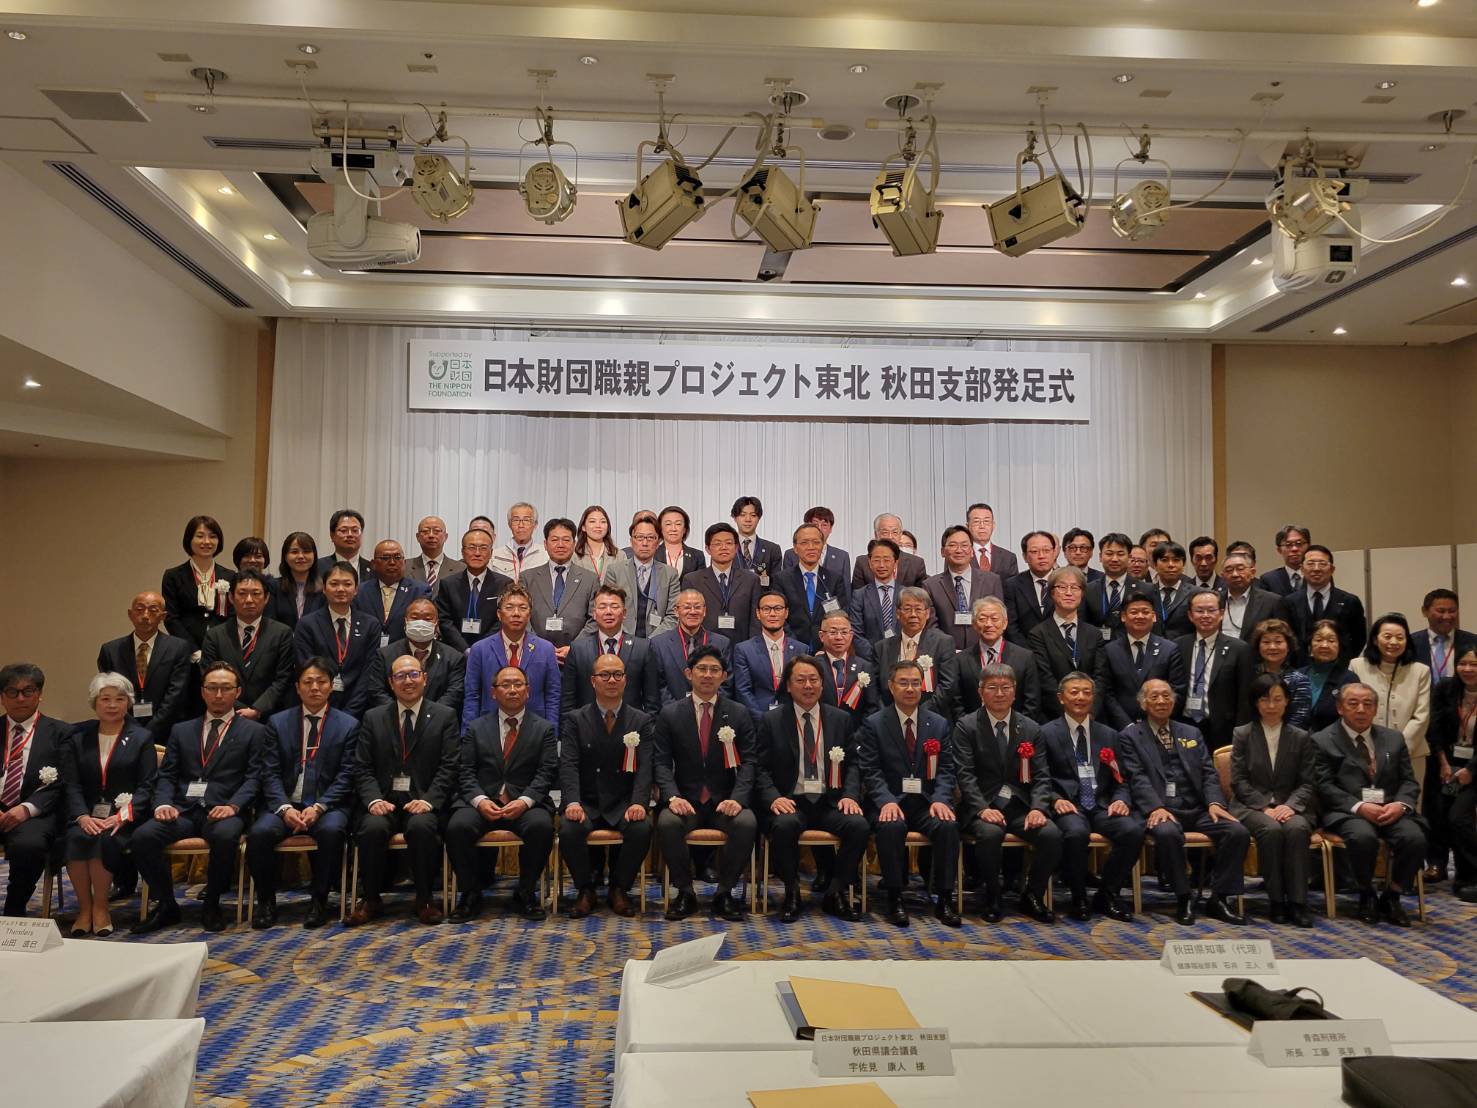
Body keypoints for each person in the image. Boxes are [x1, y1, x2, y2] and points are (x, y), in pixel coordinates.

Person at [131, 661, 267, 933]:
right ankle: (167, 905)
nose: (219, 695)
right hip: (182, 810)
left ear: (237, 692)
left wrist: (234, 806)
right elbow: (167, 775)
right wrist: (163, 803)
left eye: (226, 688)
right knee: (143, 837)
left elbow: (255, 778)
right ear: (202, 691)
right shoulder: (182, 730)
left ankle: (212, 903)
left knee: (226, 836)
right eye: (212, 688)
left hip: (224, 810)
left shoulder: (254, 732)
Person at [1119, 678, 1250, 925]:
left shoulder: (1191, 732)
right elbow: (1135, 777)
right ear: (1144, 703)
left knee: (1237, 832)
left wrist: (1215, 803)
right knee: (1167, 834)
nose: (1162, 701)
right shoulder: (1130, 736)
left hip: (1196, 807)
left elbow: (1208, 773)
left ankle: (1220, 897)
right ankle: (1183, 897)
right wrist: (1155, 807)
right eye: (1154, 697)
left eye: (1166, 696)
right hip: (1161, 809)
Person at [347, 654, 460, 926]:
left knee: (422, 827)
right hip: (384, 801)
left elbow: (450, 766)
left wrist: (429, 801)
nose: (407, 681)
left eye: (413, 674)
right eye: (400, 676)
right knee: (371, 828)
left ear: (425, 678)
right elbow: (362, 766)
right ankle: (371, 898)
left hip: (424, 802)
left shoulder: (444, 716)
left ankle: (425, 899)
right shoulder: (373, 718)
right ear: (390, 682)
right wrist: (373, 800)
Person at [755, 655, 869, 922]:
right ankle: (792, 892)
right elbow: (760, 768)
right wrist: (773, 798)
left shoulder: (840, 719)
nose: (808, 686)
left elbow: (854, 763)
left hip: (830, 801)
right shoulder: (772, 720)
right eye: (801, 680)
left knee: (859, 826)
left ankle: (836, 891)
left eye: (813, 680)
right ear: (788, 686)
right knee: (783, 826)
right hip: (791, 800)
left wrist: (850, 795)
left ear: (822, 683)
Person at [248, 658, 358, 929]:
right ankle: (266, 902)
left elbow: (346, 776)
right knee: (259, 833)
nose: (314, 688)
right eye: (308, 682)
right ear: (297, 688)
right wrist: (284, 807)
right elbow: (269, 772)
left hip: (327, 805)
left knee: (332, 832)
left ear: (331, 686)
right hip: (284, 804)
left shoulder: (348, 725)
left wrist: (320, 806)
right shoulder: (277, 723)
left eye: (321, 682)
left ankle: (319, 901)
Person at [652, 644, 759, 922]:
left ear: (724, 676)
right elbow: (661, 762)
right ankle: (685, 893)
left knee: (746, 822)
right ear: (689, 674)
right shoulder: (670, 714)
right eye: (702, 669)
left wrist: (738, 798)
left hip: (725, 800)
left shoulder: (738, 713)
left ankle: (725, 893)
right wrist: (672, 796)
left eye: (714, 670)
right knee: (667, 823)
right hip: (686, 800)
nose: (708, 675)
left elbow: (750, 761)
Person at [446, 665, 557, 922]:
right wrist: (480, 801)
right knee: (457, 826)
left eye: (518, 684)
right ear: (493, 692)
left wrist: (525, 801)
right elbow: (465, 771)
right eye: (505, 685)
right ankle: (470, 894)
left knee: (541, 826)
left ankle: (526, 893)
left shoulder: (544, 728)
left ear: (528, 691)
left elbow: (546, 772)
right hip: (483, 802)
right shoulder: (476, 728)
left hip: (525, 803)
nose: (512, 690)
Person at [857, 659, 962, 928]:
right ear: (891, 686)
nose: (910, 689)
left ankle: (944, 899)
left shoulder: (938, 724)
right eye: (903, 683)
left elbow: (947, 769)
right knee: (891, 826)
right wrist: (886, 801)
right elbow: (871, 770)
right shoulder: (875, 724)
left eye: (916, 683)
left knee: (948, 825)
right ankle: (895, 898)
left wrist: (940, 799)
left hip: (926, 802)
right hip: (890, 801)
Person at [953, 663, 1061, 923]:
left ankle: (1032, 895)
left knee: (1051, 834)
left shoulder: (1030, 728)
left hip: (1019, 805)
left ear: (1014, 692)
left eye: (1005, 688)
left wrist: (1038, 808)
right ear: (981, 692)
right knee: (990, 834)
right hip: (982, 805)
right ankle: (993, 894)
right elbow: (964, 774)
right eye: (992, 687)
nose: (999, 693)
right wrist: (982, 808)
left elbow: (1042, 775)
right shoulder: (966, 726)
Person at [1312, 683, 1427, 926]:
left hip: (1390, 809)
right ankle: (1366, 894)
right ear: (1340, 708)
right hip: (1349, 812)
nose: (1361, 710)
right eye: (1353, 704)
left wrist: (1401, 805)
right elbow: (1324, 786)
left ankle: (1393, 895)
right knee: (1363, 837)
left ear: (1375, 709)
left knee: (1414, 838)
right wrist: (1359, 807)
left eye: (1368, 704)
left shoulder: (1393, 738)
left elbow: (1408, 781)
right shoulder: (1322, 740)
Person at [1038, 671, 1143, 922]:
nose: (1080, 697)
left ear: (1093, 698)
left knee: (1133, 831)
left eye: (1086, 692)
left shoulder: (1109, 734)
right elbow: (1038, 777)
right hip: (1068, 804)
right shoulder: (1046, 733)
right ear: (1061, 697)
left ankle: (1107, 893)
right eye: (1074, 692)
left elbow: (1123, 778)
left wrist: (1121, 799)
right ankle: (1078, 897)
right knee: (1076, 833)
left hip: (1102, 804)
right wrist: (1054, 799)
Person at [558, 653, 654, 918]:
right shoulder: (575, 719)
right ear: (593, 680)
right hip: (586, 801)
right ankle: (585, 889)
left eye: (617, 675)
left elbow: (645, 767)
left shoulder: (641, 720)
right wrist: (572, 801)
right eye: (605, 675)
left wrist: (638, 802)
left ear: (625, 680)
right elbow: (569, 764)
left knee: (641, 828)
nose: (612, 680)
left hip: (623, 801)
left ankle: (619, 888)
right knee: (569, 829)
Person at [61, 672, 156, 936]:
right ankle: (84, 909)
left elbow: (147, 785)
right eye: (105, 699)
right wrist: (82, 816)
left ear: (129, 702)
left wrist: (121, 816)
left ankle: (101, 908)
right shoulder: (78, 738)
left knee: (103, 839)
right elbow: (71, 784)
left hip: (124, 817)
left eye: (119, 699)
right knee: (77, 837)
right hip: (86, 814)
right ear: (95, 702)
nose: (112, 705)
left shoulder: (141, 738)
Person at [1229, 674, 1318, 927]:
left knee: (1297, 829)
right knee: (1271, 830)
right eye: (1264, 699)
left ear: (1287, 701)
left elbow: (1307, 782)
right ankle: (1276, 900)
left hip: (1291, 805)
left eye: (1278, 699)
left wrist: (1289, 806)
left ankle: (1298, 902)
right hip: (1251, 806)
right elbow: (1239, 780)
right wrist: (1264, 806)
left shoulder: (1300, 736)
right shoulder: (1243, 734)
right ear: (1255, 702)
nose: (1271, 705)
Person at [0, 664, 68, 917]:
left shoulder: (60, 733)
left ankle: (14, 910)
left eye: (27, 691)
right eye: (12, 692)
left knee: (29, 845)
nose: (20, 698)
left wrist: (27, 809)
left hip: (35, 813)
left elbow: (64, 781)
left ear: (39, 694)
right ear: (2, 697)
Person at [1349, 614, 1432, 805]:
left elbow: (1421, 715)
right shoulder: (1357, 666)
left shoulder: (1420, 671)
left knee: (1406, 808)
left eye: (1400, 637)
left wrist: (1397, 751)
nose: (1393, 642)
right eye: (1387, 636)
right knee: (1369, 807)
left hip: (1410, 754)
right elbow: (1352, 710)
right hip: (1365, 754)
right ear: (1374, 639)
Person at [462, 584, 560, 731]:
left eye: (523, 608)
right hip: (489, 730)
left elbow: (553, 696)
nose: (516, 613)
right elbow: (472, 696)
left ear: (529, 614)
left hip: (535, 730)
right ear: (499, 614)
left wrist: (552, 734)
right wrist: (468, 735)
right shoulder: (479, 650)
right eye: (509, 608)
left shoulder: (545, 649)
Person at [200, 570, 296, 721]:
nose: (249, 600)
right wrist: (239, 709)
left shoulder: (282, 633)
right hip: (227, 715)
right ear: (231, 597)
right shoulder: (215, 635)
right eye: (242, 593)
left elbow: (284, 678)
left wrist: (258, 709)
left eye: (256, 593)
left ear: (266, 598)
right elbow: (208, 677)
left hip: (271, 717)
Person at [97, 591, 192, 744]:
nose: (145, 616)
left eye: (153, 610)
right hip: (123, 730)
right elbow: (110, 694)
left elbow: (175, 694)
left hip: (166, 731)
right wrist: (133, 729)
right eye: (139, 609)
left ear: (163, 616)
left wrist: (149, 732)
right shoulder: (111, 650)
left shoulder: (178, 648)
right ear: (130, 614)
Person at [293, 562, 383, 719]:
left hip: (360, 709)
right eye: (334, 584)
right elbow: (306, 668)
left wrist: (350, 713)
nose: (341, 589)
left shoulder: (371, 625)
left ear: (356, 589)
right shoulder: (307, 624)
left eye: (347, 584)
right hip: (317, 706)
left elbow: (368, 672)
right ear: (324, 588)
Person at [560, 585, 662, 723]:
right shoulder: (578, 649)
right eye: (602, 607)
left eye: (614, 607)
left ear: (624, 613)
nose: (608, 612)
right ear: (594, 613)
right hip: (587, 729)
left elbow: (652, 702)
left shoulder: (643, 648)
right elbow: (568, 702)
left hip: (631, 729)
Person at [938, 597, 1040, 723]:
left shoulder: (1025, 657)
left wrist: (1018, 729)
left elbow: (1032, 701)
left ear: (1005, 623)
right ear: (974, 624)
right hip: (973, 729)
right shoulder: (960, 659)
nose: (988, 624)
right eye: (982, 619)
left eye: (994, 618)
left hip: (1015, 728)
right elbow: (956, 701)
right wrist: (968, 728)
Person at [1174, 589, 1254, 749]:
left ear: (1221, 614)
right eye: (1199, 611)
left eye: (1211, 610)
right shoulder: (1177, 646)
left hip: (1223, 729)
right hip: (1184, 725)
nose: (1205, 615)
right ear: (1190, 615)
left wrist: (1241, 734)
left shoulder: (1239, 649)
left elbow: (1245, 697)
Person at [1030, 566, 1110, 720]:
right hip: (1054, 717)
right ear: (1052, 593)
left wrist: (1090, 711)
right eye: (1062, 587)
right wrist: (1068, 713)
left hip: (1090, 716)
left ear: (1082, 593)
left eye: (1075, 587)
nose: (1068, 593)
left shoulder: (1094, 634)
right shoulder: (1038, 634)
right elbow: (1045, 679)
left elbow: (1100, 677)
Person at [366, 597, 467, 716]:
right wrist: (402, 714)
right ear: (405, 621)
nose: (421, 623)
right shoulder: (385, 655)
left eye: (427, 619)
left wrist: (427, 717)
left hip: (437, 721)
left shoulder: (454, 658)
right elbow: (376, 691)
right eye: (414, 618)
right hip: (393, 720)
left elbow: (454, 694)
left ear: (436, 624)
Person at [1101, 592, 1187, 731]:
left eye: (1145, 612)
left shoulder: (1169, 649)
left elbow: (1177, 691)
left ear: (1154, 616)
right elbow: (1106, 693)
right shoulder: (1110, 650)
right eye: (1134, 612)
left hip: (1159, 726)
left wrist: (1156, 721)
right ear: (1123, 617)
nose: (1140, 616)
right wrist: (1126, 725)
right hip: (1120, 728)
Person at [873, 587, 958, 719]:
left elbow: (948, 685)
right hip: (890, 719)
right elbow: (876, 689)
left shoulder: (943, 643)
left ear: (927, 613)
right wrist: (891, 714)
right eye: (907, 609)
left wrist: (918, 714)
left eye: (918, 609)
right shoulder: (882, 647)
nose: (913, 614)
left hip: (931, 717)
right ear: (897, 613)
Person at [1277, 545, 1367, 664]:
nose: (1316, 569)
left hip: (1338, 668)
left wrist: (1343, 661)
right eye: (1310, 563)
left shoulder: (1350, 601)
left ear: (1332, 569)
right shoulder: (1289, 602)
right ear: (1302, 569)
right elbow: (1286, 638)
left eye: (1322, 564)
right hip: (1300, 669)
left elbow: (1359, 639)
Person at [161, 514, 234, 655]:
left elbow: (232, 615)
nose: (207, 541)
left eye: (212, 536)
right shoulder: (173, 576)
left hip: (222, 650)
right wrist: (192, 650)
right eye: (200, 536)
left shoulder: (230, 576)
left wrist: (220, 646)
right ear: (189, 539)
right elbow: (171, 618)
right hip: (185, 652)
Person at [925, 525, 1005, 651]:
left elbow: (999, 619)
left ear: (972, 551)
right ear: (942, 552)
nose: (959, 550)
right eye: (953, 545)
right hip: (947, 654)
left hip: (983, 652)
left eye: (964, 545)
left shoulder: (992, 581)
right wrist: (949, 649)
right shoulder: (930, 585)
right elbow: (931, 625)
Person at [733, 590, 808, 725]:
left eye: (778, 608)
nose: (772, 614)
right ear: (758, 613)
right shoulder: (744, 650)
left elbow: (803, 688)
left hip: (794, 720)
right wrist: (763, 721)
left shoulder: (801, 649)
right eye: (766, 609)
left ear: (786, 613)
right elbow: (743, 691)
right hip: (757, 721)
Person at [1438, 645, 1477, 900]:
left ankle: (1473, 873)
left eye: (1474, 664)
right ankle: (1464, 877)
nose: (1468, 669)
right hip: (1449, 766)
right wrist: (1443, 762)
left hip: (1474, 767)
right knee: (1449, 820)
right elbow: (1435, 728)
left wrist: (1471, 770)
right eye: (1463, 663)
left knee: (1459, 818)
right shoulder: (1446, 689)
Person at [649, 590, 734, 705]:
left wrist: (706, 707)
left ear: (704, 611)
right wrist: (677, 710)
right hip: (672, 712)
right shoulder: (659, 644)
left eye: (697, 607)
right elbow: (658, 686)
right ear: (676, 611)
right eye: (687, 607)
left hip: (711, 711)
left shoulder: (722, 643)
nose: (693, 612)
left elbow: (726, 684)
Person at [774, 522, 851, 650]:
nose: (811, 547)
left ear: (822, 545)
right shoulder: (782, 579)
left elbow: (841, 615)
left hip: (826, 648)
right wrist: (795, 646)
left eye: (816, 542)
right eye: (804, 543)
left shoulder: (834, 579)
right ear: (795, 548)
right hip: (791, 647)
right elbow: (779, 616)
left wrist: (825, 648)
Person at [435, 528, 513, 652]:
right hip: (455, 651)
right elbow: (445, 620)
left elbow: (502, 619)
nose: (477, 553)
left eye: (483, 548)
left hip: (491, 650)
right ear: (462, 552)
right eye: (471, 547)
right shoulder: (448, 584)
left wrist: (479, 648)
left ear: (491, 553)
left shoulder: (504, 584)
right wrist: (464, 648)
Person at [353, 540, 431, 645]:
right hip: (367, 651)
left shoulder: (419, 591)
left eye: (397, 557)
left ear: (405, 562)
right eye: (385, 558)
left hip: (404, 651)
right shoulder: (360, 591)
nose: (392, 562)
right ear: (373, 564)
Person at [619, 511, 680, 638]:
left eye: (650, 538)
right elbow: (609, 610)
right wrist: (626, 639)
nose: (645, 543)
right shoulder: (615, 571)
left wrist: (652, 640)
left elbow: (673, 615)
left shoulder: (670, 574)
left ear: (658, 543)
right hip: (623, 640)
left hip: (657, 641)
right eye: (640, 537)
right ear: (631, 541)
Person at [816, 610, 880, 723]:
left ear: (851, 636)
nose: (839, 637)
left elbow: (872, 708)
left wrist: (860, 733)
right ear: (821, 636)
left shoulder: (864, 667)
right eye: (833, 632)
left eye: (844, 632)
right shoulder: (813, 666)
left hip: (856, 731)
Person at [1249, 618, 1313, 730]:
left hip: (1288, 737)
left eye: (1278, 642)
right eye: (1266, 642)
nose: (1272, 647)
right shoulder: (1248, 674)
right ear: (1258, 646)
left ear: (1288, 646)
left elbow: (1299, 719)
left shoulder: (1299, 680)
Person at [1299, 619, 1360, 733]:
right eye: (1318, 640)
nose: (1324, 645)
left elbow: (1353, 718)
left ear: (1340, 645)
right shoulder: (1298, 675)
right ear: (1310, 645)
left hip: (1334, 741)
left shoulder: (1349, 679)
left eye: (1331, 640)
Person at [1082, 532, 1144, 639]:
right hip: (1098, 646)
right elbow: (1083, 625)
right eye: (1109, 553)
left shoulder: (1145, 589)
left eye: (1120, 554)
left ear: (1129, 557)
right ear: (1100, 557)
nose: (1114, 559)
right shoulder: (1088, 589)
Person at [1003, 531, 1059, 645]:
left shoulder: (1067, 581)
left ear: (1054, 553)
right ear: (1025, 557)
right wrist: (1027, 652)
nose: (1041, 556)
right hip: (1024, 650)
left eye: (1046, 550)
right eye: (1034, 551)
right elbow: (1011, 626)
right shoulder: (1012, 585)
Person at [848, 538, 906, 644]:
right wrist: (873, 653)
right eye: (876, 560)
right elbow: (856, 633)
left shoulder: (907, 594)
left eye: (886, 560)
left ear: (896, 563)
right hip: (870, 653)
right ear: (870, 563)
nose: (881, 565)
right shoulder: (859, 595)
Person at [1411, 589, 1475, 684]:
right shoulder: (1411, 643)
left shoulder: (1473, 641)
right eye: (1441, 611)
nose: (1447, 616)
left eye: (1452, 611)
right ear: (1425, 611)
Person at [851, 514, 928, 589]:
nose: (890, 537)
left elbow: (920, 595)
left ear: (900, 534)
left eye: (895, 532)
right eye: (885, 532)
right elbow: (857, 594)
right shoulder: (862, 562)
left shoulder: (916, 563)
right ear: (876, 535)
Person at [1219, 549, 1282, 642]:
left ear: (1252, 573)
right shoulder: (1215, 600)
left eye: (1240, 569)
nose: (1235, 574)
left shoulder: (1271, 602)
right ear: (1222, 576)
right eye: (1229, 570)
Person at [268, 531, 326, 629]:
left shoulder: (324, 589)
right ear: (285, 557)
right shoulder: (273, 586)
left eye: (306, 551)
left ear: (314, 556)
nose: (301, 556)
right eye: (294, 552)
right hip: (282, 638)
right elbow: (270, 623)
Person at [781, 505, 851, 584]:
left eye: (824, 525)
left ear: (830, 528)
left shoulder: (842, 556)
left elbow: (846, 588)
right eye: (815, 524)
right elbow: (787, 585)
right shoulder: (791, 554)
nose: (819, 529)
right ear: (805, 526)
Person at [490, 502, 550, 581]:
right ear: (509, 524)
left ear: (535, 524)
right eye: (516, 520)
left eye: (526, 520)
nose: (521, 525)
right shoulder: (495, 555)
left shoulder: (545, 554)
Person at [731, 495, 783, 585]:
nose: (748, 519)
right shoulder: (726, 548)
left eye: (753, 515)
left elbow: (776, 584)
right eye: (743, 515)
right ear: (735, 518)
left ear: (759, 518)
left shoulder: (772, 549)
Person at [406, 516, 464, 597]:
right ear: (418, 537)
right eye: (425, 531)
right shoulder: (404, 566)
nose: (431, 535)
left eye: (436, 531)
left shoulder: (461, 569)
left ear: (445, 536)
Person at [574, 504, 629, 586]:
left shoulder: (619, 556)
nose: (598, 526)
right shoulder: (573, 555)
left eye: (603, 522)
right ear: (583, 527)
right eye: (592, 521)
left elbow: (625, 586)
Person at [1149, 542, 1195, 638]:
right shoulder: (1146, 592)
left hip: (1184, 646)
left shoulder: (1195, 593)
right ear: (1155, 565)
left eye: (1176, 560)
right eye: (1164, 560)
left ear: (1183, 565)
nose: (1171, 565)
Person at [316, 508, 372, 578]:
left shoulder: (373, 569)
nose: (350, 535)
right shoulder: (317, 567)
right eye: (343, 530)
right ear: (332, 535)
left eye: (355, 530)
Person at [1259, 525, 1312, 596]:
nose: (1294, 549)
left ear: (1309, 547)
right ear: (1279, 550)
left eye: (1299, 544)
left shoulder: (1317, 575)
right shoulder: (1268, 580)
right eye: (1288, 545)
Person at [656, 505, 705, 578]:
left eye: (678, 524)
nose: (673, 529)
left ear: (685, 529)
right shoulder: (653, 554)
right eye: (668, 524)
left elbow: (701, 582)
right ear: (661, 528)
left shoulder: (697, 556)